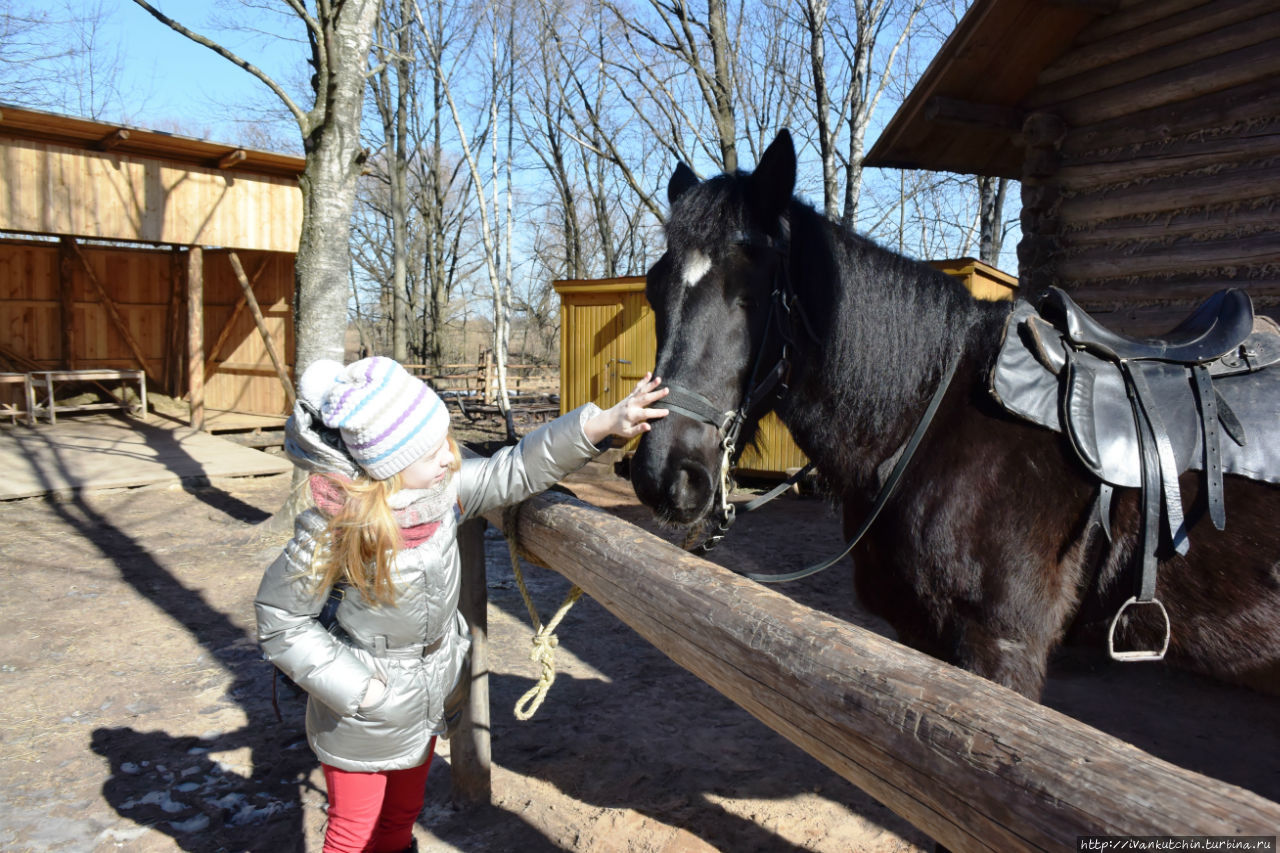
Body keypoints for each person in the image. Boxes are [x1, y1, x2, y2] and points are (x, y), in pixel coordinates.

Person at [255, 356, 668, 853]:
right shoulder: (334, 531)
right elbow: (281, 620)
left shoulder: (442, 494)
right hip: (361, 712)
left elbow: (516, 467)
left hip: (428, 696)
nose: (450, 459)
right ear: (389, 468)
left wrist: (601, 423)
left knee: (402, 818)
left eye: (447, 444)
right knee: (352, 833)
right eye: (431, 453)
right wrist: (360, 690)